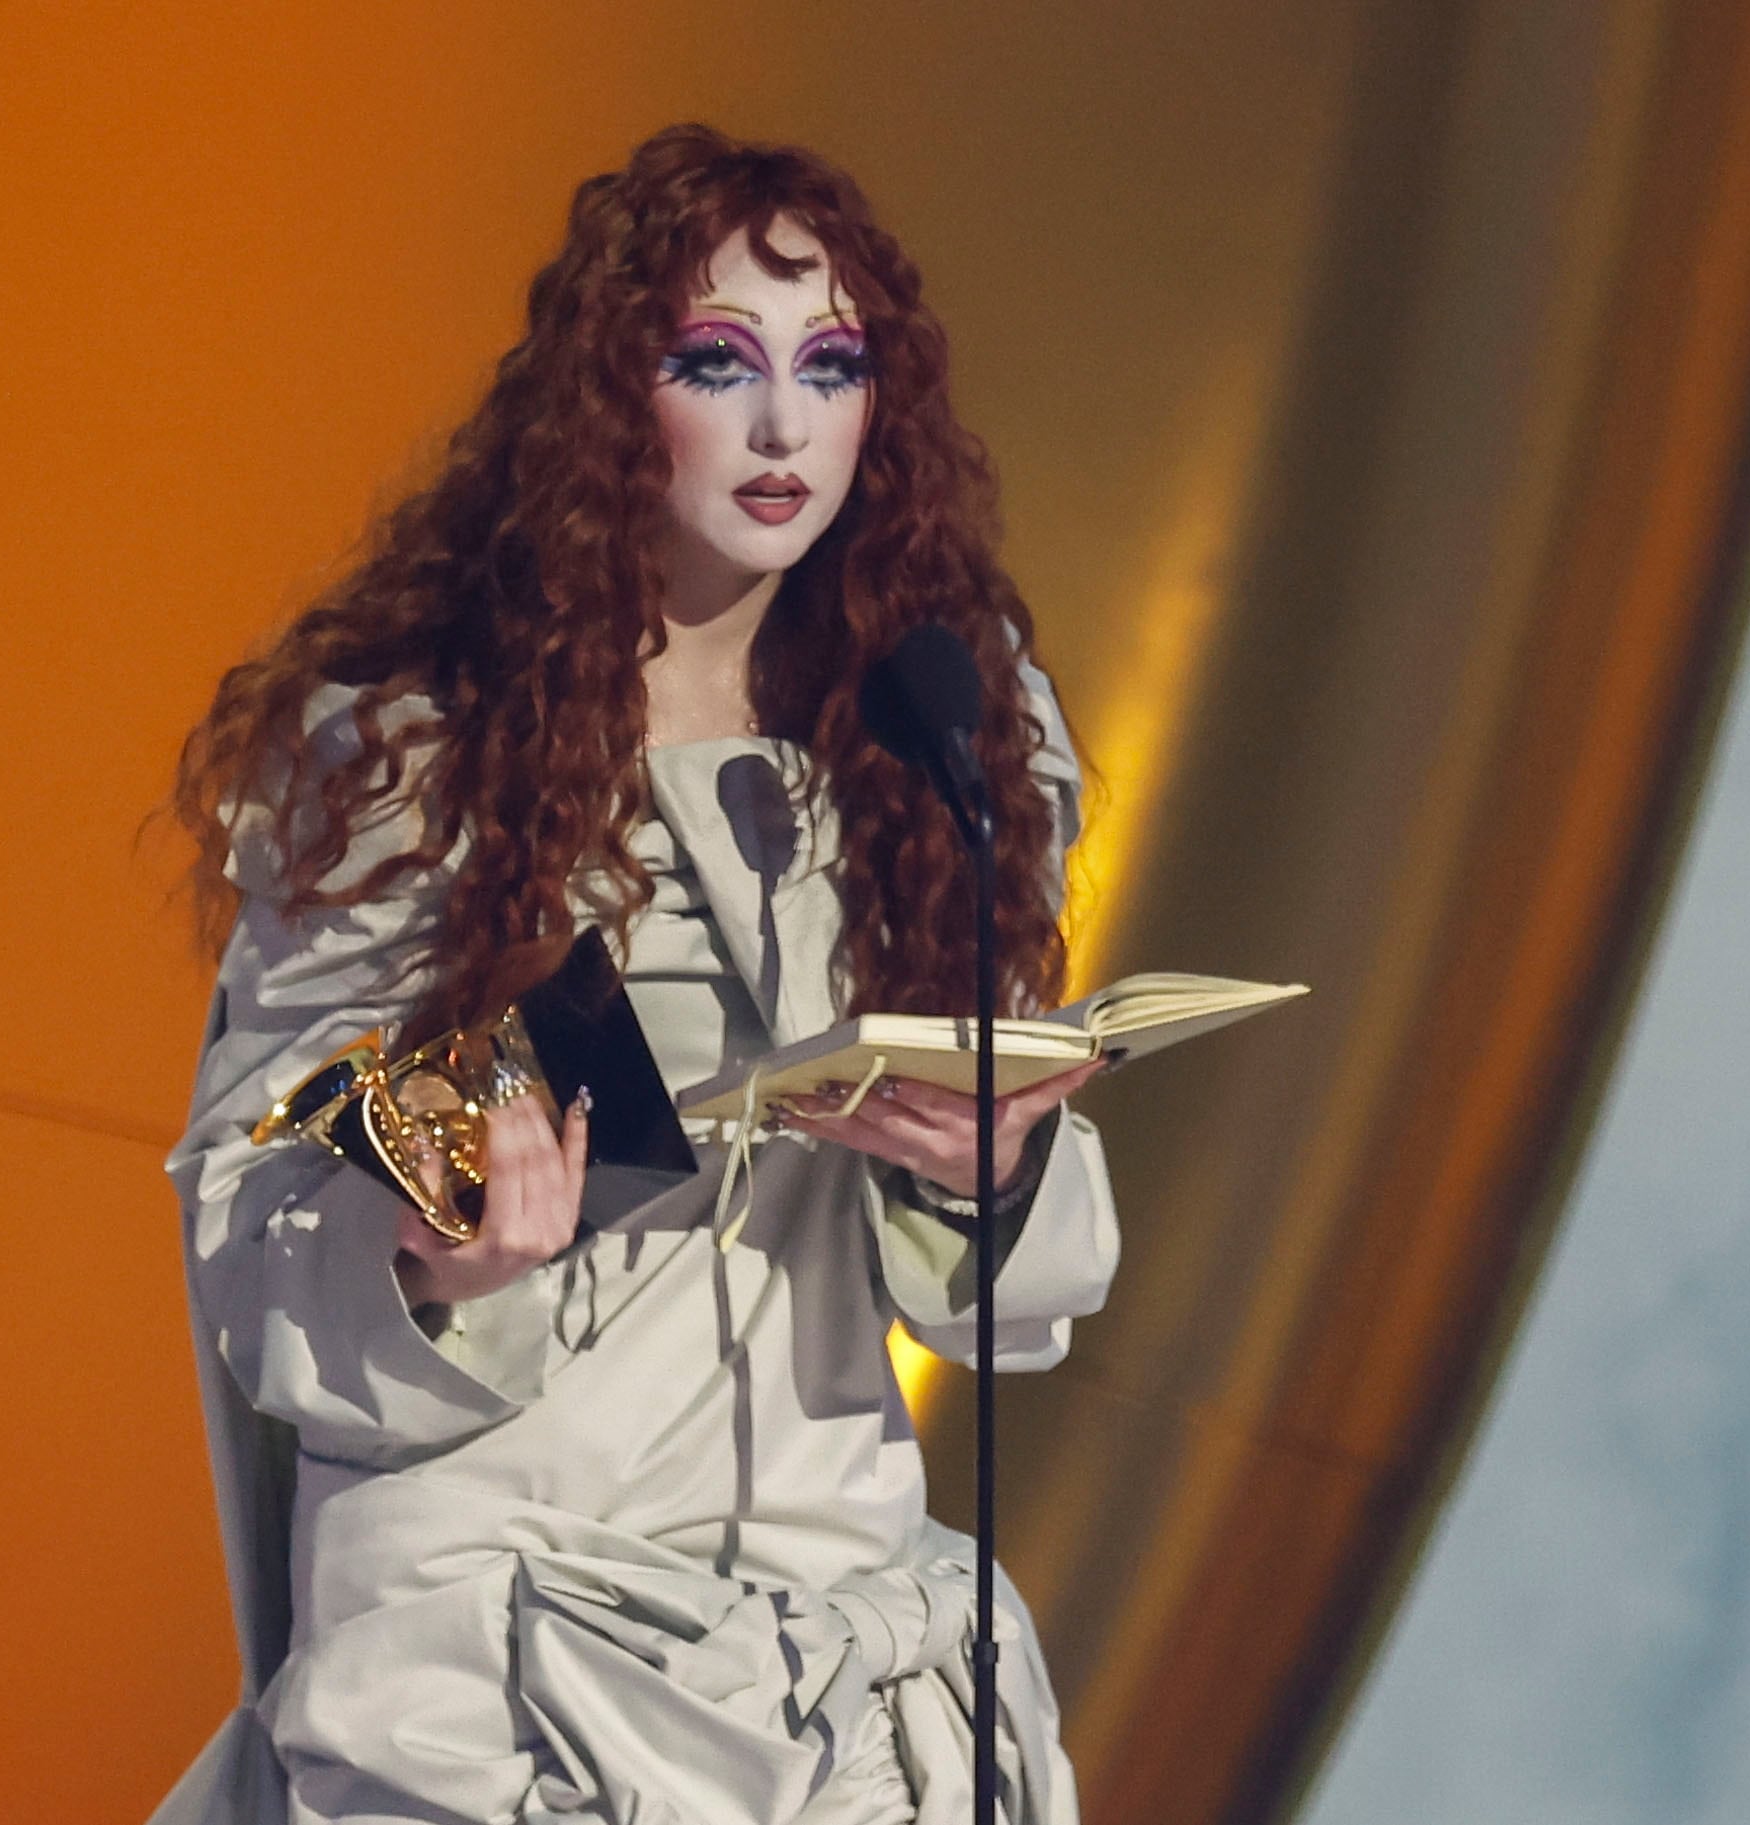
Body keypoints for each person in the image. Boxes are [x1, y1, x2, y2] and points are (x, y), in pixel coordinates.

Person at [150, 123, 1121, 1825]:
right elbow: (252, 1209)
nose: (779, 426)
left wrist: (1003, 1165)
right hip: (503, 1680)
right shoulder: (404, 753)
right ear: (613, 394)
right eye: (713, 362)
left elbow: (1002, 1306)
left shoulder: (932, 741)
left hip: (846, 1685)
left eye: (829, 367)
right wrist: (425, 1245)